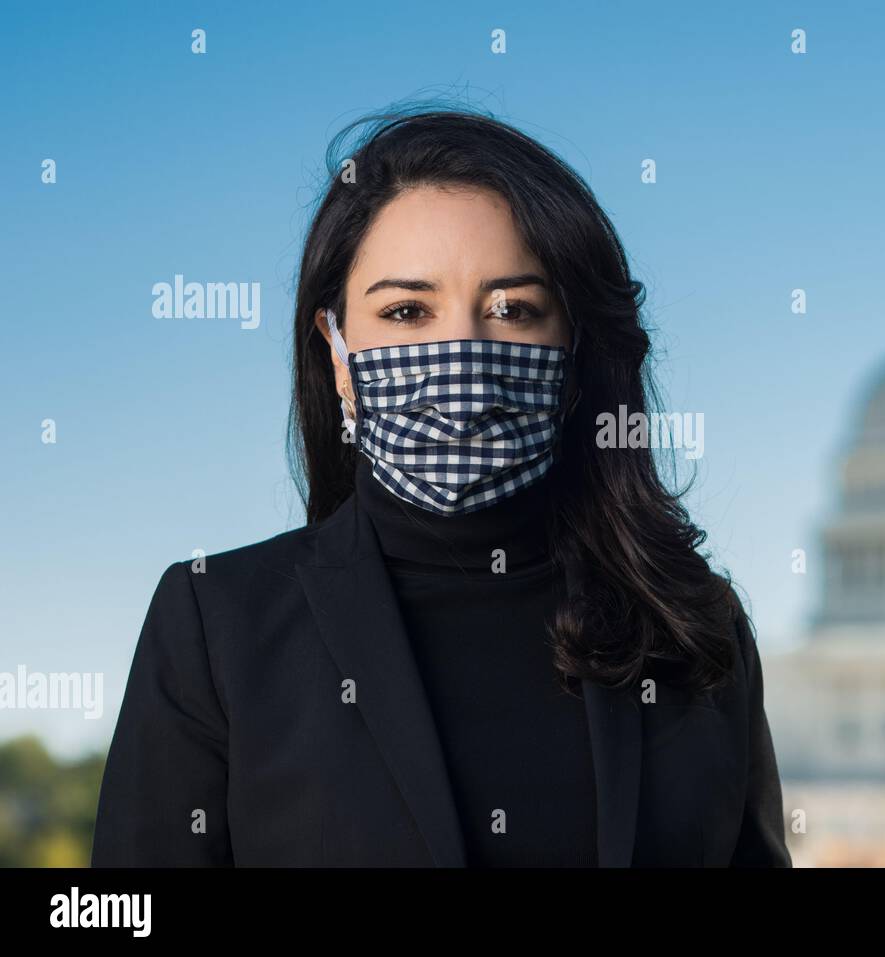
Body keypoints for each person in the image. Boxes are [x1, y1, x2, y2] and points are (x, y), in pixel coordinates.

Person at [90, 107, 791, 867]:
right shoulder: (217, 624)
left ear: (578, 344)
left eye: (513, 309)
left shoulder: (694, 628)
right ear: (336, 351)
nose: (461, 356)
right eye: (406, 311)